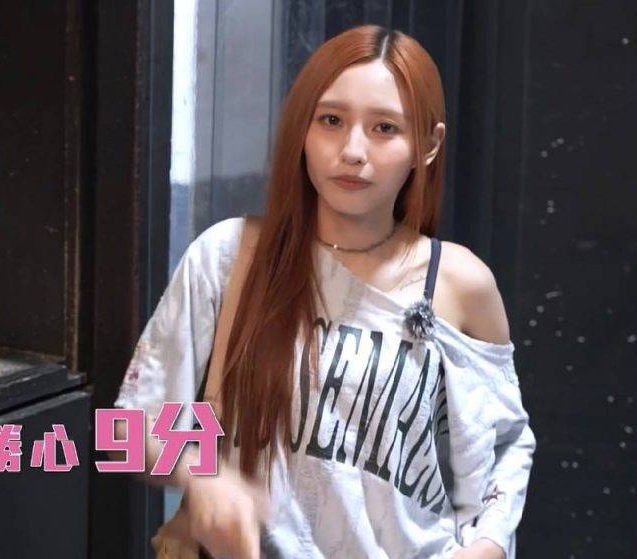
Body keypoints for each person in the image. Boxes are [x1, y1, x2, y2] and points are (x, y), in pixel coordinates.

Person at [113, 23, 535, 559]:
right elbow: (126, 432)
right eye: (331, 120)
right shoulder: (229, 257)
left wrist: (488, 545)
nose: (353, 150)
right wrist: (203, 475)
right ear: (302, 130)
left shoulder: (459, 282)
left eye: (384, 128)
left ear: (427, 146)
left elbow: (504, 447)